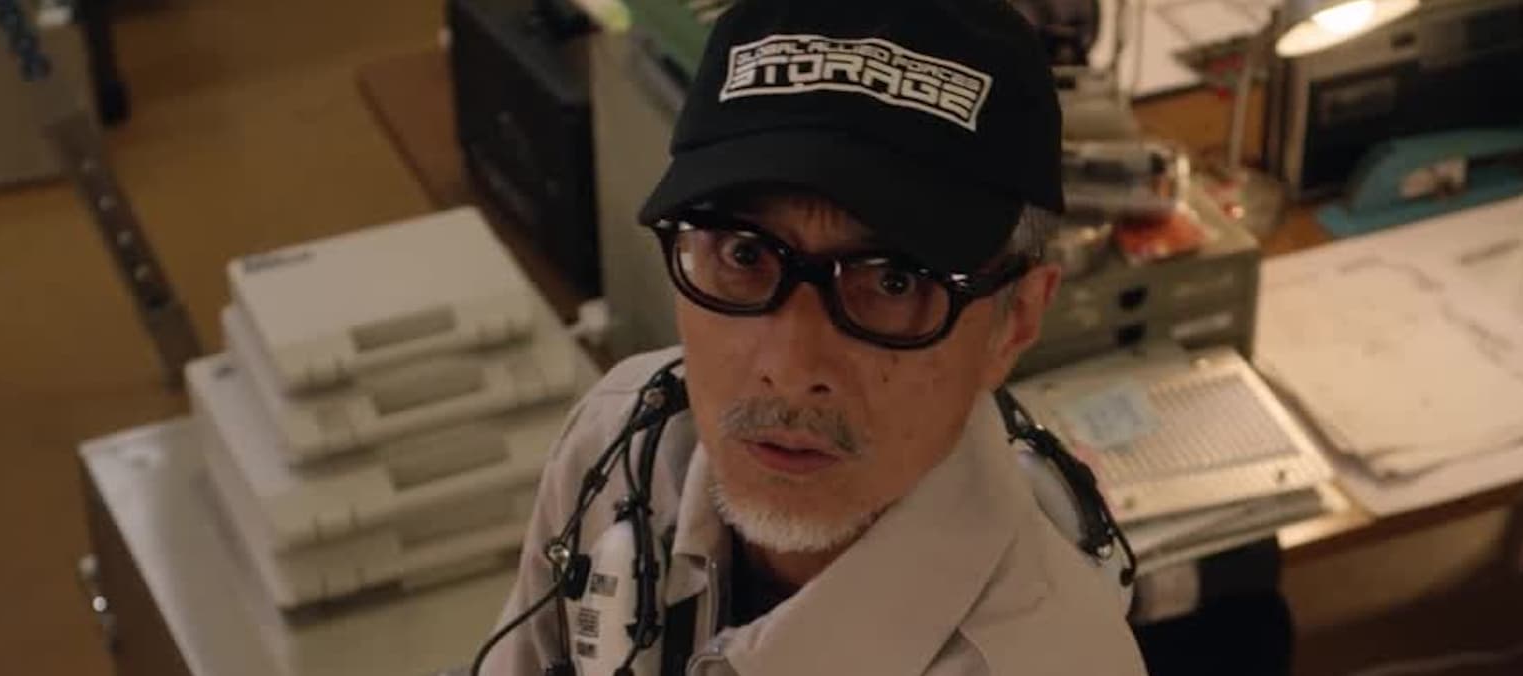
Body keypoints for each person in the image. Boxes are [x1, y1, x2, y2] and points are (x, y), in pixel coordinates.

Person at [481, 0, 1147, 673]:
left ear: (1016, 322)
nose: (792, 368)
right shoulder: (616, 441)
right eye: (744, 253)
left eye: (893, 283)